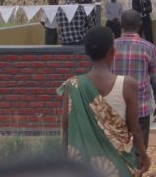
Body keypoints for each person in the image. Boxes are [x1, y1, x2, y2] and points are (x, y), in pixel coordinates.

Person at [59, 26, 150, 176]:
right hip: (120, 166)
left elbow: (66, 124)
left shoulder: (73, 85)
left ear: (87, 53)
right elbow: (135, 129)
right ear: (112, 51)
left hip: (85, 168)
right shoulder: (128, 85)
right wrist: (144, 156)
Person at [111, 10, 156, 147]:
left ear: (121, 24)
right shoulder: (149, 48)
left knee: (116, 150)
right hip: (140, 109)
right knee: (139, 150)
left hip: (114, 108)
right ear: (140, 24)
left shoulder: (110, 47)